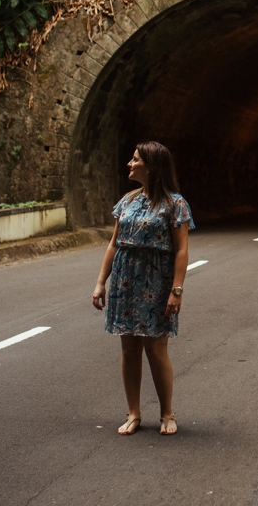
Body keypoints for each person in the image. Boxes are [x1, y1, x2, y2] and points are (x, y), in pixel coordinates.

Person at [92, 140, 193, 436]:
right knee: (129, 347)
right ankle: (134, 413)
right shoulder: (127, 201)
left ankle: (167, 413)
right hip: (125, 280)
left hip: (156, 281)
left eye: (135, 159)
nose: (130, 163)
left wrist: (176, 290)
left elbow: (182, 250)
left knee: (156, 348)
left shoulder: (175, 204)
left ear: (151, 166)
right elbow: (115, 243)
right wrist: (101, 282)